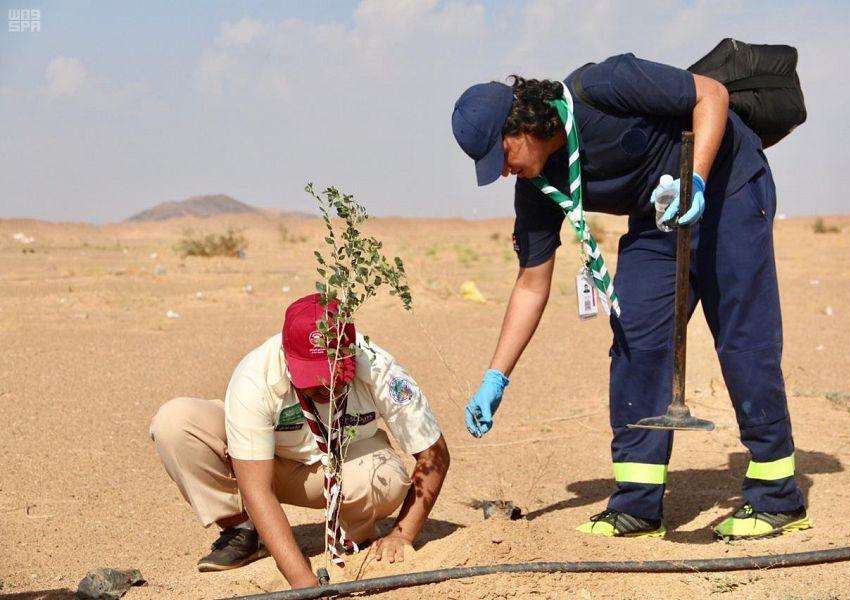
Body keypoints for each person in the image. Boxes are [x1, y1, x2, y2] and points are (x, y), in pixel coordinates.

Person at [451, 53, 809, 540]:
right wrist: (496, 377)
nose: (503, 173)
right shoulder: (537, 189)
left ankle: (777, 498)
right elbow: (531, 284)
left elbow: (711, 95)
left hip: (726, 187)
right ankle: (638, 506)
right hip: (657, 218)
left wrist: (695, 181)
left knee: (743, 339)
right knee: (636, 339)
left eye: (502, 157)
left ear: (524, 125)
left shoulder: (604, 85)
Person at [150, 294, 449, 588]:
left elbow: (434, 454)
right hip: (261, 468)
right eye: (312, 377)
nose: (325, 388)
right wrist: (302, 581)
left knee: (385, 476)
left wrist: (402, 534)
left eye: (334, 377)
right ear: (286, 355)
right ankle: (241, 530)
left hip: (341, 465)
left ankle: (356, 534)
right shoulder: (255, 375)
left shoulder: (378, 366)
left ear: (350, 354)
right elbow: (256, 489)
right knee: (175, 423)